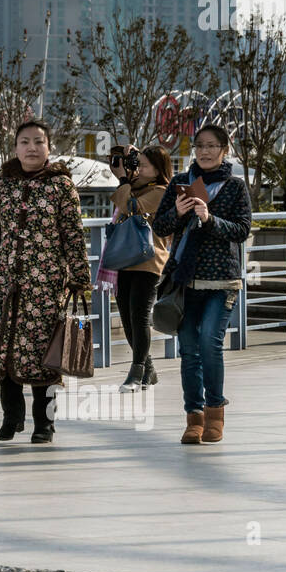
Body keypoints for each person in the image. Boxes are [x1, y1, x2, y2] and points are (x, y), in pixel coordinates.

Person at [0, 121, 90, 443]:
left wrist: (78, 276)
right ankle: (12, 417)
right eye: (24, 142)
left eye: (38, 142)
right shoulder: (4, 184)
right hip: (7, 283)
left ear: (49, 147)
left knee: (43, 357)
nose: (31, 148)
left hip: (46, 286)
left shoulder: (62, 186)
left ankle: (44, 424)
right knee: (3, 354)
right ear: (16, 147)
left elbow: (73, 235)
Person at [151, 124, 252, 445]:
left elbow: (242, 229)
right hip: (184, 280)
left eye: (212, 146)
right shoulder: (181, 182)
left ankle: (215, 412)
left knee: (210, 342)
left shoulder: (235, 186)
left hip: (222, 278)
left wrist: (210, 220)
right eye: (200, 145)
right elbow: (159, 225)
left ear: (224, 149)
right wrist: (179, 213)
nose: (205, 152)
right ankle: (193, 417)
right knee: (190, 350)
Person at [108, 144, 174, 391]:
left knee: (139, 317)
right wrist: (126, 168)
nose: (139, 168)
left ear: (158, 169)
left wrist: (124, 179)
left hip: (148, 261)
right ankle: (149, 370)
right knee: (126, 318)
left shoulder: (160, 191)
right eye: (139, 163)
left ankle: (136, 373)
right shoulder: (136, 186)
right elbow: (121, 201)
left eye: (144, 164)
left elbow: (129, 208)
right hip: (126, 260)